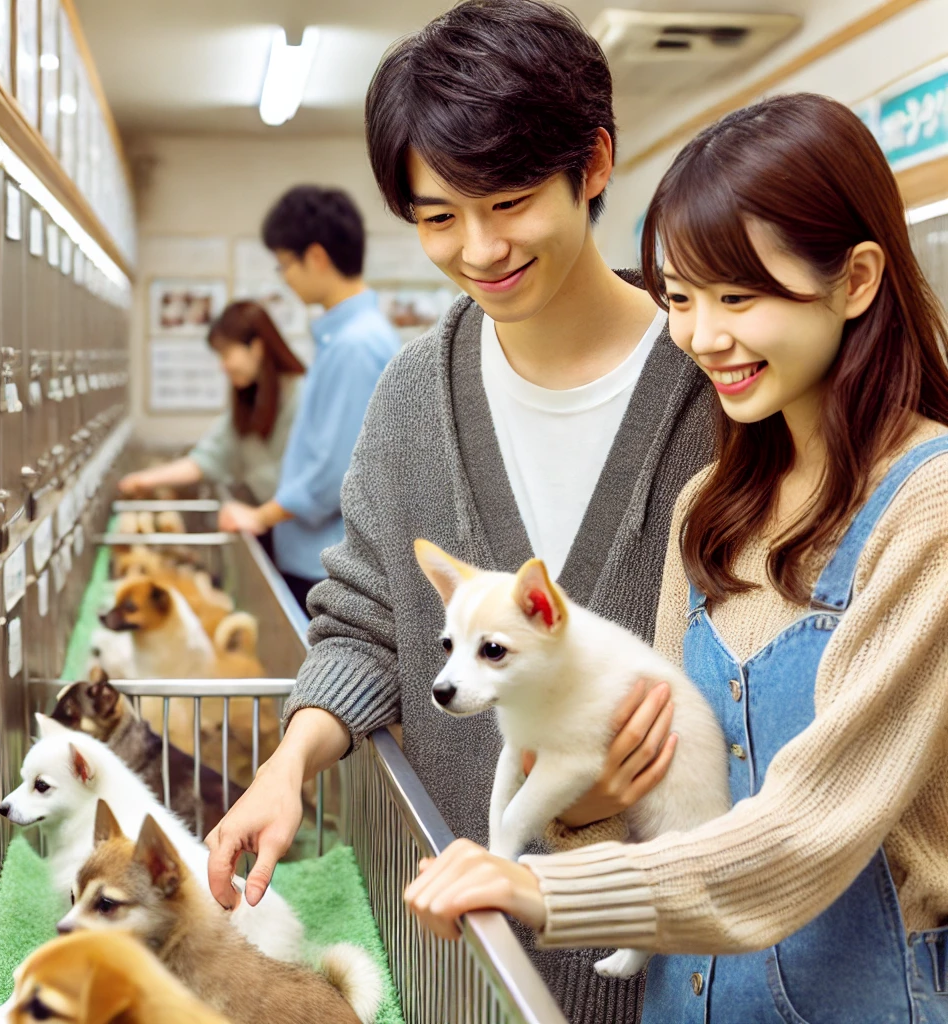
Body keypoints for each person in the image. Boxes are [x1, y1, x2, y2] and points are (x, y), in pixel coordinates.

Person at [206, 4, 712, 1019]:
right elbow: (362, 616)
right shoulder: (411, 395)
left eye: (510, 201)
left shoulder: (716, 384)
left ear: (596, 163)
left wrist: (608, 798)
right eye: (437, 217)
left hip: (680, 960)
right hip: (465, 956)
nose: (478, 249)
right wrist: (289, 762)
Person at [402, 93, 948, 1023]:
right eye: (683, 300)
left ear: (856, 280)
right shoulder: (713, 507)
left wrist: (540, 888)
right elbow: (650, 762)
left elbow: (813, 828)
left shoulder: (927, 509)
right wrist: (580, 811)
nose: (703, 337)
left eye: (739, 297)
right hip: (684, 998)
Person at [215, 186, 400, 614]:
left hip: (327, 563)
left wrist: (260, 517)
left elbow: (335, 473)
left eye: (285, 266)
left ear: (315, 257)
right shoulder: (348, 338)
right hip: (321, 558)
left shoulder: (354, 345)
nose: (286, 279)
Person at [119, 301, 303, 504]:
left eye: (226, 354)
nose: (222, 366)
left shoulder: (302, 395)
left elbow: (309, 483)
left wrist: (260, 518)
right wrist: (145, 480)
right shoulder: (250, 400)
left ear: (256, 348)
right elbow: (208, 457)